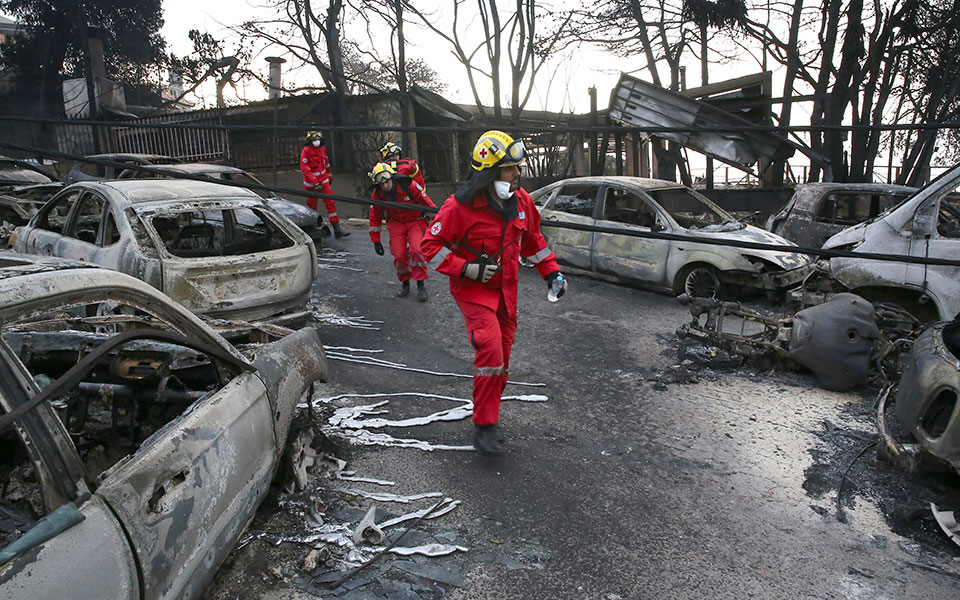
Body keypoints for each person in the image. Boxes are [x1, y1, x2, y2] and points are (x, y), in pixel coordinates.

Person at [420, 130, 567, 456]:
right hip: (473, 293)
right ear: (489, 172)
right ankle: (484, 425)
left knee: (500, 362)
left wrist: (552, 273)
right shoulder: (458, 208)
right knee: (490, 351)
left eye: (518, 167)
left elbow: (534, 244)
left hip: (506, 292)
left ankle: (490, 414)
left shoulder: (523, 203)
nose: (518, 173)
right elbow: (430, 247)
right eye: (510, 168)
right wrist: (466, 268)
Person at [368, 162, 436, 302]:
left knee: (417, 250)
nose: (386, 186)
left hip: (415, 220)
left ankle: (420, 284)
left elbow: (427, 203)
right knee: (399, 255)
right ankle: (405, 283)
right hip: (396, 223)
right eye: (382, 184)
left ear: (392, 178)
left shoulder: (408, 185)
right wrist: (376, 240)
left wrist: (439, 227)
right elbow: (375, 216)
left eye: (387, 182)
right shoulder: (378, 194)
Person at [301, 130, 350, 238]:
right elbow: (305, 168)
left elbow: (326, 163)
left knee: (330, 202)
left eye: (318, 139)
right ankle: (312, 227)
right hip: (312, 185)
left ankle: (337, 228)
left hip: (323, 180)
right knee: (312, 206)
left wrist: (329, 176)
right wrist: (315, 182)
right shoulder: (306, 151)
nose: (316, 142)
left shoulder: (322, 149)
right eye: (314, 140)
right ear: (310, 140)